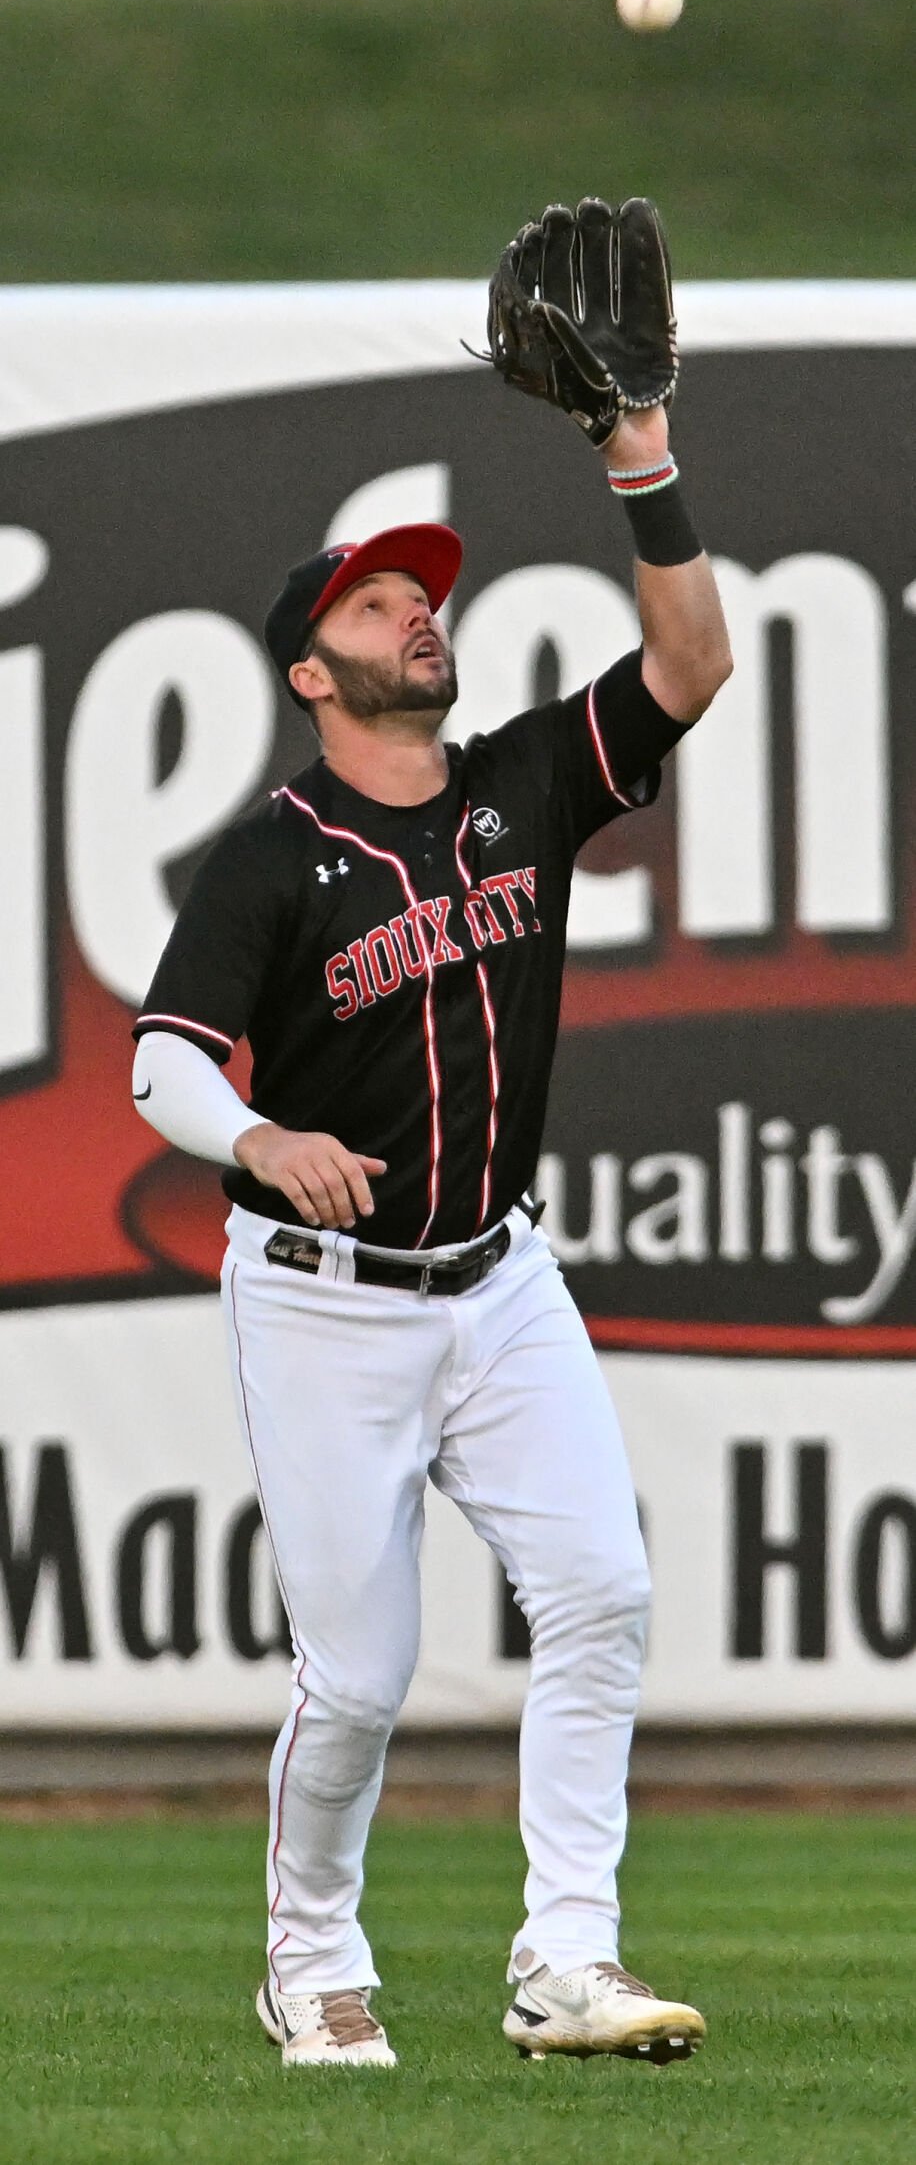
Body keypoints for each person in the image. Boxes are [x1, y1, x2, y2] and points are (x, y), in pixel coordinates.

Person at [131, 392, 732, 2068]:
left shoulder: (520, 782)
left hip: (501, 1277)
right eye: (378, 599)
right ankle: (311, 1956)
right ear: (313, 671)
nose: (419, 607)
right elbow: (162, 1064)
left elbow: (690, 666)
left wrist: (641, 458)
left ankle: (571, 1960)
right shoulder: (272, 857)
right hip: (324, 1306)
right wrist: (257, 1134)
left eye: (423, 589)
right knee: (363, 1679)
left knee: (602, 1590)